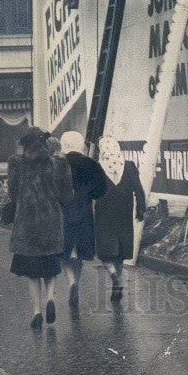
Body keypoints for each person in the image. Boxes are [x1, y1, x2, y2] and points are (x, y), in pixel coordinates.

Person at [8, 128, 73, 328]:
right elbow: (66, 195)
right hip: (50, 220)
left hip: (27, 223)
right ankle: (51, 298)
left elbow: (13, 194)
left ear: (25, 144)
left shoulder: (17, 164)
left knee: (32, 272)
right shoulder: (57, 164)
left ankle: (36, 311)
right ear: (44, 144)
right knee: (51, 266)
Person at [59, 131, 109, 310]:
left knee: (64, 254)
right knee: (79, 254)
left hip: (63, 212)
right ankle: (76, 284)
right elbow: (102, 189)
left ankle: (71, 282)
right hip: (84, 212)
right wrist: (90, 195)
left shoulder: (59, 163)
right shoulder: (92, 165)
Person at [93, 136, 145, 303]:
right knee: (121, 251)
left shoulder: (98, 167)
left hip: (104, 215)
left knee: (104, 253)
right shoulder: (128, 165)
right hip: (124, 213)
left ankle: (114, 277)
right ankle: (118, 280)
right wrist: (141, 209)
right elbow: (139, 189)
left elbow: (93, 191)